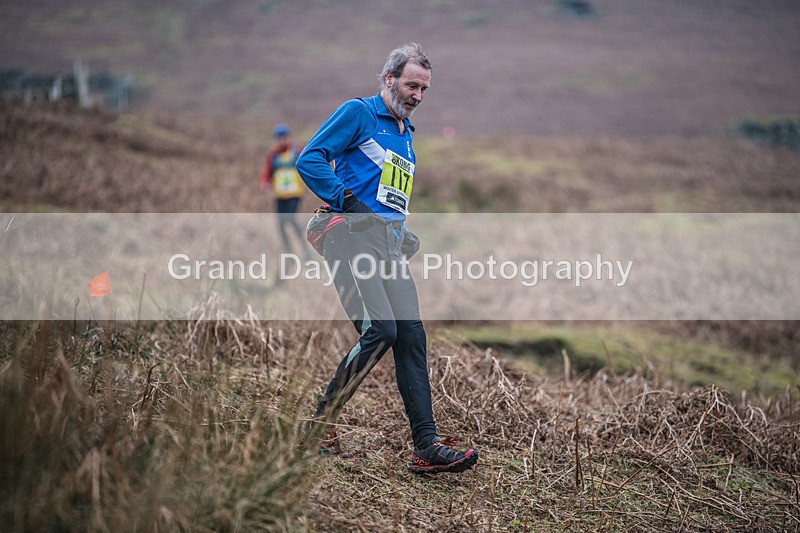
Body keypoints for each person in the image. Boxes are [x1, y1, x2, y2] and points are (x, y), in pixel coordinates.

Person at [296, 42, 479, 474]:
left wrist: (400, 231)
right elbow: (310, 159)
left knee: (411, 336)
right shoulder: (358, 112)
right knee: (380, 329)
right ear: (389, 79)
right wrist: (348, 202)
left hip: (387, 245)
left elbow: (385, 194)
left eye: (424, 89)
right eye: (412, 85)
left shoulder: (404, 133)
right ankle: (316, 428)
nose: (418, 95)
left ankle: (426, 446)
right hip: (349, 237)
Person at [260, 123, 309, 258]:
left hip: (295, 193)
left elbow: (306, 165)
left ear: (288, 136)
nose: (281, 140)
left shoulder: (297, 151)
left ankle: (305, 250)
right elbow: (267, 171)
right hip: (280, 194)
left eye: (283, 136)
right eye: (278, 137)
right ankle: (289, 253)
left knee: (291, 219)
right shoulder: (272, 155)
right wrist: (265, 182)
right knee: (281, 225)